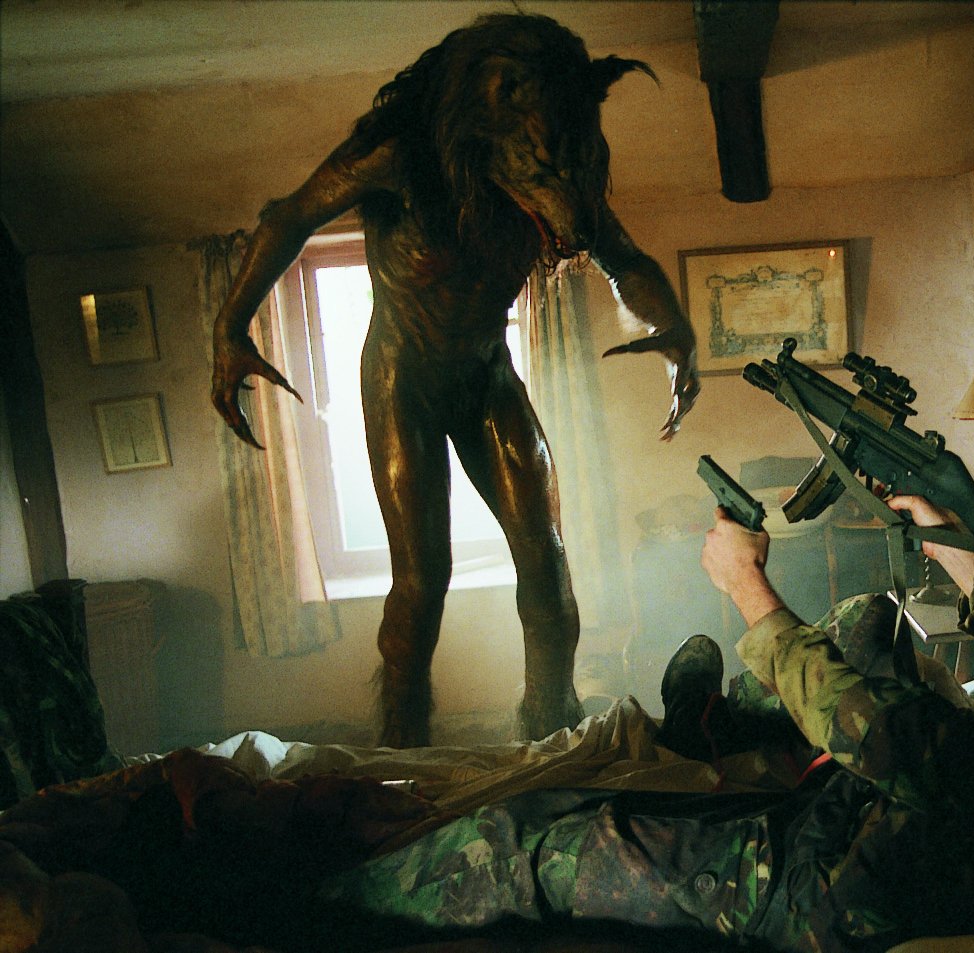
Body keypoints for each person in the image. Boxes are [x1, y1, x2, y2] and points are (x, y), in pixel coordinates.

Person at [317, 496, 974, 951]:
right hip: (868, 832)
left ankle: (327, 897)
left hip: (827, 894)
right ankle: (710, 723)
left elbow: (898, 745)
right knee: (869, 622)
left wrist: (752, 596)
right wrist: (947, 537)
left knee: (557, 842)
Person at [207, 14, 700, 747]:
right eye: (542, 169)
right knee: (421, 580)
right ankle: (403, 748)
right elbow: (289, 217)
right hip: (401, 377)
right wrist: (230, 329)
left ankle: (550, 727)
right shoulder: (398, 155)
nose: (566, 210)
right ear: (494, 102)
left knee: (548, 564)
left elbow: (621, 257)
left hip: (486, 372)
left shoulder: (556, 153)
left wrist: (676, 334)